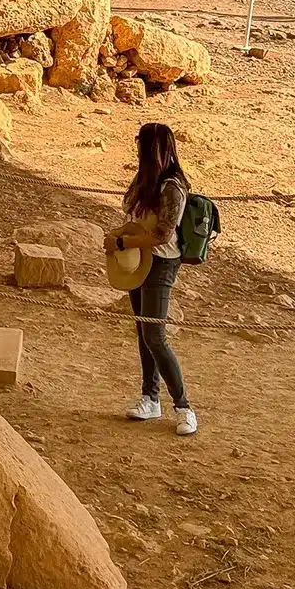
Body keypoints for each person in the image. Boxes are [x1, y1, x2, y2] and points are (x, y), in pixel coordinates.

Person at [105, 123, 197, 436]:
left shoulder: (172, 186)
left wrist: (122, 243)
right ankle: (150, 397)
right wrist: (119, 238)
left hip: (160, 264)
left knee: (155, 336)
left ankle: (183, 406)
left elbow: (162, 234)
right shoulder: (146, 180)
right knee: (144, 332)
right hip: (139, 261)